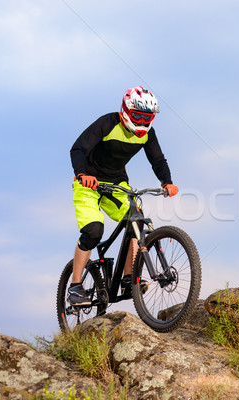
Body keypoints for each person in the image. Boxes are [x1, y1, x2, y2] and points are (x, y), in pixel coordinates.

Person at [68, 86, 178, 306]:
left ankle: (129, 279)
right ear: (126, 110)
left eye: (148, 117)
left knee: (136, 222)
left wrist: (167, 182)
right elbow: (78, 149)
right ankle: (75, 286)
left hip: (117, 185)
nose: (143, 121)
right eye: (138, 115)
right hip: (88, 183)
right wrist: (82, 174)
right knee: (93, 230)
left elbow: (158, 159)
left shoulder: (147, 134)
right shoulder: (108, 123)